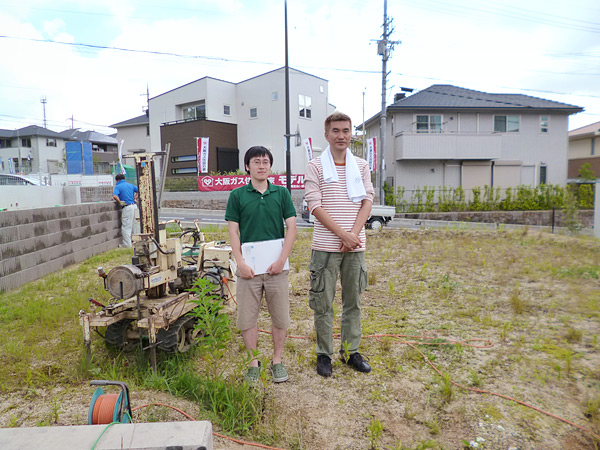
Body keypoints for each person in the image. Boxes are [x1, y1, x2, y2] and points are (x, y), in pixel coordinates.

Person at [305, 111, 375, 377]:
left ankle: (350, 351)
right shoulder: (316, 166)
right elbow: (315, 205)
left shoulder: (361, 165)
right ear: (327, 134)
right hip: (325, 247)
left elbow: (367, 200)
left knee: (353, 301)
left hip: (355, 246)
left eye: (346, 131)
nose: (341, 136)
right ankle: (324, 354)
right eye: (336, 131)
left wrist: (353, 234)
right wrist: (342, 235)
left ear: (351, 135)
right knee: (323, 303)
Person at [225, 146, 297, 384]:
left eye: (266, 161)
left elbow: (292, 228)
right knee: (247, 317)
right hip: (249, 270)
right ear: (247, 166)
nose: (262, 165)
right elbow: (233, 232)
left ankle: (277, 360)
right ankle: (253, 362)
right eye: (256, 161)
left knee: (280, 316)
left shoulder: (281, 193)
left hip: (276, 268)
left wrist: (281, 260)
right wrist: (240, 262)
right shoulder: (237, 195)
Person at [112, 173, 138, 247]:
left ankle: (127, 245)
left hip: (127, 207)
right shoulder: (130, 185)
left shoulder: (118, 186)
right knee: (134, 225)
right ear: (124, 179)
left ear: (117, 180)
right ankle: (136, 242)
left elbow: (114, 196)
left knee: (126, 227)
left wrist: (120, 202)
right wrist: (135, 198)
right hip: (134, 206)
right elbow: (140, 190)